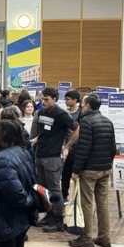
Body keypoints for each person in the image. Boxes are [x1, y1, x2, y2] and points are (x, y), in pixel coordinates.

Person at [65, 94, 116, 247]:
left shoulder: (86, 122)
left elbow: (84, 149)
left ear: (88, 105)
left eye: (83, 104)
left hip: (90, 170)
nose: (81, 106)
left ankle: (86, 238)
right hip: (105, 169)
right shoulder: (108, 121)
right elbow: (113, 147)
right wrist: (108, 164)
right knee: (103, 203)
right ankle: (104, 237)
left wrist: (76, 170)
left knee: (87, 203)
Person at [31, 87, 77, 231]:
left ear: (54, 100)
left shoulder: (61, 114)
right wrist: (36, 139)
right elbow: (44, 131)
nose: (43, 102)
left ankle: (58, 219)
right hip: (40, 154)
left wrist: (67, 146)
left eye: (46, 99)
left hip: (53, 157)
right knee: (43, 189)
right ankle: (50, 215)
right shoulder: (41, 113)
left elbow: (77, 129)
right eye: (42, 99)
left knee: (54, 189)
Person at [60, 89, 82, 202]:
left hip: (78, 148)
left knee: (78, 174)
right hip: (66, 147)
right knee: (65, 173)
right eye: (65, 99)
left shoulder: (81, 114)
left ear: (75, 100)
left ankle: (78, 196)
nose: (66, 101)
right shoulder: (64, 113)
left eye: (68, 99)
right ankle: (64, 195)